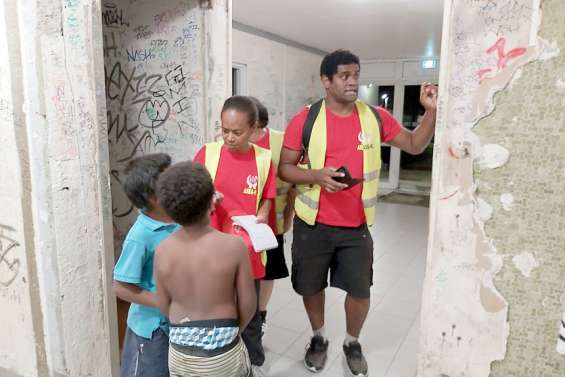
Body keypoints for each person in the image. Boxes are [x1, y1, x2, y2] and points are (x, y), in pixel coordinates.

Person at [278, 49, 437, 376]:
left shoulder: (375, 117)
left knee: (360, 290)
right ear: (327, 80)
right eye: (345, 76)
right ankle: (318, 338)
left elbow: (414, 144)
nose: (353, 82)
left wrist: (431, 112)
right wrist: (316, 175)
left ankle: (352, 342)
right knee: (310, 286)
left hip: (356, 227)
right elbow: (285, 168)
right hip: (312, 225)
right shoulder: (305, 120)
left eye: (356, 75)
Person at [194, 95, 277, 376]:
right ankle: (218, 361)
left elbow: (268, 196)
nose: (229, 137)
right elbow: (191, 191)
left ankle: (253, 362)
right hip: (212, 248)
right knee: (217, 307)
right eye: (224, 130)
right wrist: (206, 198)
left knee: (249, 309)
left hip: (248, 251)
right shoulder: (208, 154)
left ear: (254, 129)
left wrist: (264, 212)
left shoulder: (264, 159)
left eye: (237, 132)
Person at [154, 161, 256, 377]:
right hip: (223, 349)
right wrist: (232, 332)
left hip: (180, 349)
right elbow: (248, 304)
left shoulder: (163, 250)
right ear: (212, 203)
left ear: (169, 212)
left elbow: (163, 304)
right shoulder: (234, 246)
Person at [113, 153, 179, 377]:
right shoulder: (140, 236)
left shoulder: (178, 217)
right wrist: (163, 303)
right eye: (170, 180)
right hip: (150, 331)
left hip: (177, 324)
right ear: (154, 198)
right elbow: (121, 287)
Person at [247, 96, 295, 331]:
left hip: (272, 223)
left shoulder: (281, 141)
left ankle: (261, 312)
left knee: (268, 271)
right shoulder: (232, 141)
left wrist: (289, 217)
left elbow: (293, 183)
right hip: (240, 224)